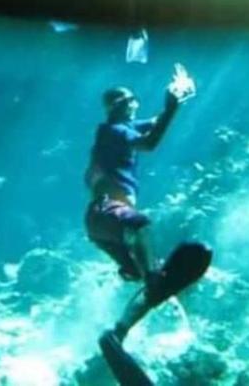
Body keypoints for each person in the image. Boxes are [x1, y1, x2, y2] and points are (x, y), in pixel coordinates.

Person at [85, 66, 195, 341]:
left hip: (101, 225)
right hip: (107, 212)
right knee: (141, 226)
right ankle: (153, 280)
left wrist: (176, 102)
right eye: (130, 101)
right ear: (118, 106)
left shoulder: (121, 130)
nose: (135, 104)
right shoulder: (113, 131)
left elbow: (155, 123)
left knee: (140, 273)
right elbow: (149, 143)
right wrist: (171, 107)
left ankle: (120, 331)